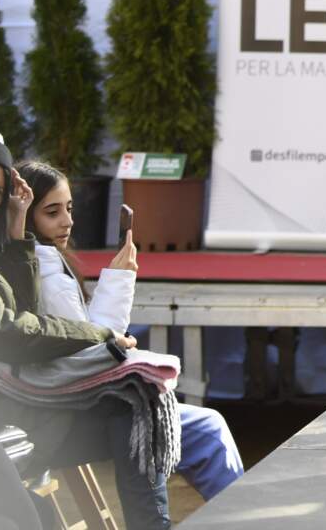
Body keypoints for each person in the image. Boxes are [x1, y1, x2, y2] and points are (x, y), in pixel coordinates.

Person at [0, 126, 168, 529]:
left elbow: (21, 315)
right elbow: (12, 330)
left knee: (135, 400)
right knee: (139, 401)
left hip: (9, 399)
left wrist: (17, 227)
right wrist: (104, 336)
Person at [17, 161, 245, 500]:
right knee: (208, 430)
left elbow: (89, 338)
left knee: (204, 425)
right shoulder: (47, 276)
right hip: (78, 412)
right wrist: (119, 281)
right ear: (25, 216)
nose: (67, 221)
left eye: (69, 208)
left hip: (75, 405)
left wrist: (118, 282)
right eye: (52, 212)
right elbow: (91, 351)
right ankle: (239, 516)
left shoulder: (48, 265)